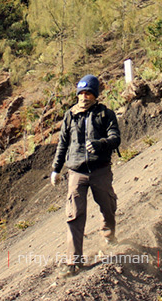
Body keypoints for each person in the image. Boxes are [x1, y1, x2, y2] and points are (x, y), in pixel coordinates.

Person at [50, 74, 121, 277]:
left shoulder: (105, 114)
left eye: (88, 92)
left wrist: (101, 143)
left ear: (95, 95)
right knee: (74, 214)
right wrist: (56, 169)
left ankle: (109, 235)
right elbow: (63, 143)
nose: (84, 96)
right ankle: (73, 261)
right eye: (81, 93)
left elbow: (116, 137)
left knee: (107, 205)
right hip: (76, 172)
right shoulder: (70, 115)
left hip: (101, 170)